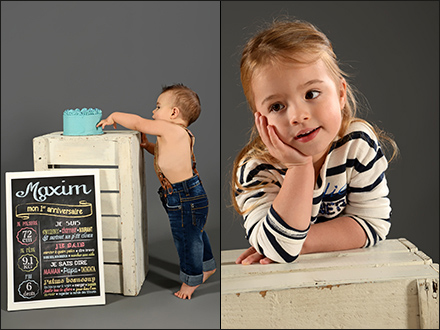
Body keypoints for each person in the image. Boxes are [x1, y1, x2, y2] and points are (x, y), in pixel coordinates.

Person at [231, 19, 399, 265]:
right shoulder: (257, 169)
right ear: (260, 119)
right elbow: (280, 249)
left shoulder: (357, 145)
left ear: (341, 94)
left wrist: (298, 242)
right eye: (277, 106)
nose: (298, 116)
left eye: (311, 94)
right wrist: (299, 168)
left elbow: (373, 224)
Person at [97, 84, 216, 299]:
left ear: (173, 113)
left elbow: (138, 122)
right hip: (189, 194)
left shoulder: (170, 129)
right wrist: (148, 146)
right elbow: (167, 156)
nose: (153, 111)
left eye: (158, 106)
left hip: (183, 196)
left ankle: (191, 280)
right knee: (195, 232)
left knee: (186, 239)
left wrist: (113, 116)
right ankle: (207, 266)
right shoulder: (179, 134)